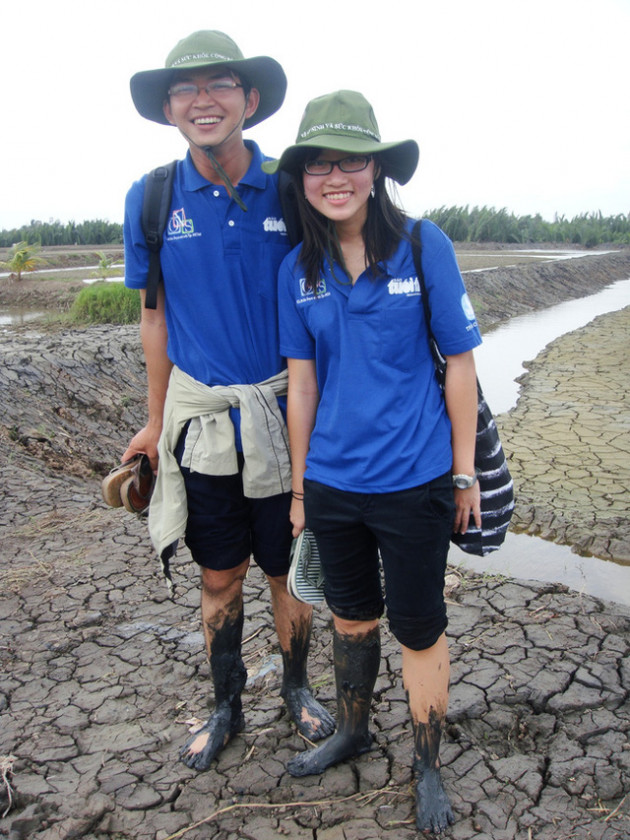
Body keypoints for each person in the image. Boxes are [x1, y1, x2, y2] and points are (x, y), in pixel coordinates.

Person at [264, 90, 482, 834]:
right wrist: (299, 489)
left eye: (350, 160)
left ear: (375, 169)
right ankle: (353, 731)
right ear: (302, 177)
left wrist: (463, 473)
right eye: (319, 163)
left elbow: (459, 364)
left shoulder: (425, 246)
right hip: (331, 484)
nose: (335, 176)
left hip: (415, 482)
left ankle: (426, 764)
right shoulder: (297, 267)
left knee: (419, 625)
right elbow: (303, 383)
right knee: (351, 614)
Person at [122, 30, 334, 773]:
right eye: (186, 89)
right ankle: (225, 703)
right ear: (170, 109)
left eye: (220, 85)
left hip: (285, 416)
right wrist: (154, 424)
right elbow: (154, 317)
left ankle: (299, 688)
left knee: (288, 567)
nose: (202, 100)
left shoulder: (289, 187)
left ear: (249, 101)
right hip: (205, 421)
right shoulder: (153, 199)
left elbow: (330, 293)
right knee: (219, 575)